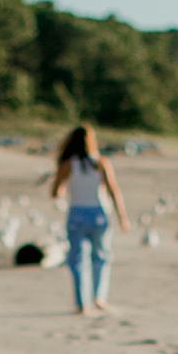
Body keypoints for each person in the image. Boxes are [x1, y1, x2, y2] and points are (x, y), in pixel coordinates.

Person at [48, 125, 130, 314]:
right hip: (98, 213)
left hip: (77, 213)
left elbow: (55, 193)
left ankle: (81, 302)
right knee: (101, 257)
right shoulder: (101, 162)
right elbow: (113, 190)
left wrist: (63, 185)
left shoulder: (68, 164)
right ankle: (99, 297)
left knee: (77, 259)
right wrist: (122, 217)